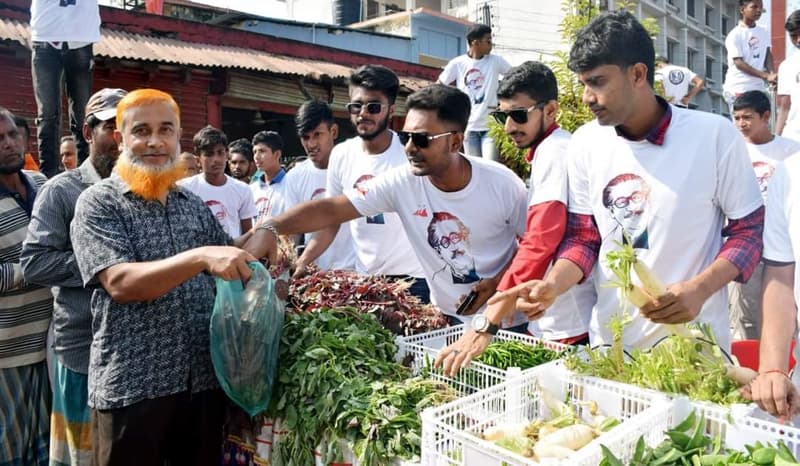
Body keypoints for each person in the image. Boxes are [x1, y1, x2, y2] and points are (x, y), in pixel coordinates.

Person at [436, 11, 764, 375]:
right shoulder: (586, 144)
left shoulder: (714, 136)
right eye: (583, 84)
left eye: (597, 82)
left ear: (638, 74)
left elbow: (748, 233)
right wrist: (552, 285)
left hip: (695, 346)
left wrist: (701, 289)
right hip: (612, 347)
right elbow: (584, 239)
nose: (587, 97)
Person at [70, 89, 257, 466]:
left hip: (201, 386)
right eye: (141, 131)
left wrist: (265, 233)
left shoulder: (191, 204)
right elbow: (121, 283)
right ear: (121, 139)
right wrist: (200, 257)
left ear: (178, 137)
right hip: (134, 389)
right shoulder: (99, 203)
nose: (154, 141)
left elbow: (228, 254)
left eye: (165, 130)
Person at [244, 84, 528, 328]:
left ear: (455, 142)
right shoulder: (402, 182)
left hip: (507, 323)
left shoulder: (503, 185)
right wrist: (272, 226)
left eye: (421, 139)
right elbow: (332, 209)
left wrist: (499, 283)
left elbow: (535, 245)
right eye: (406, 137)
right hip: (446, 319)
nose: (409, 149)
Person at [21, 87, 127, 465]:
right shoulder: (62, 191)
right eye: (109, 126)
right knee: (82, 457)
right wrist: (102, 267)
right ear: (87, 133)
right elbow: (34, 263)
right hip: (83, 347)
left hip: (133, 354)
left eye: (126, 126)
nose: (120, 136)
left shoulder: (144, 191)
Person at [481, 61, 595, 343]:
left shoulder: (553, 152)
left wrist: (492, 315)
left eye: (519, 115)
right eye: (502, 116)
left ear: (551, 110)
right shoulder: (556, 147)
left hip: (566, 316)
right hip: (554, 307)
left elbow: (542, 237)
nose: (509, 127)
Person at [318, 65, 427, 301]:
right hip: (365, 280)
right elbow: (331, 218)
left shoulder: (411, 154)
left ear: (391, 110)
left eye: (373, 107)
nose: (363, 113)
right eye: (356, 106)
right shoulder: (341, 154)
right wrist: (304, 262)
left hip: (415, 280)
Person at [0, 107, 52, 465]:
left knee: (47, 448)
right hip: (8, 353)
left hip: (52, 345)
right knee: (10, 451)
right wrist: (37, 269)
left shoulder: (43, 185)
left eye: (12, 135)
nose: (8, 144)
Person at [729, 90, 800, 340]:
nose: (741, 124)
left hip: (782, 245)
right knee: (744, 315)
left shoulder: (791, 152)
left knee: (786, 311)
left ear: (766, 116)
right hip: (746, 245)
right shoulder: (732, 150)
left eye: (747, 117)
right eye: (736, 118)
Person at [283, 99, 355, 274]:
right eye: (305, 137)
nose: (311, 144)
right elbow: (293, 229)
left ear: (333, 131)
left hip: (356, 272)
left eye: (317, 135)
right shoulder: (294, 176)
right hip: (315, 274)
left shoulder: (353, 168)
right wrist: (291, 262)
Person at [30, 0, 100, 177]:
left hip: (80, 37)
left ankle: (87, 178)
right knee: (47, 115)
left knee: (82, 116)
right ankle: (47, 177)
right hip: (45, 36)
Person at [439, 24, 511, 161]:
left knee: (491, 166)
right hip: (468, 127)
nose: (491, 44)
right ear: (475, 43)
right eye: (488, 41)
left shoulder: (496, 61)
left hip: (490, 126)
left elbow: (515, 76)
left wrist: (505, 101)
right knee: (474, 168)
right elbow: (440, 85)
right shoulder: (458, 63)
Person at [178, 126, 257, 238]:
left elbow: (248, 234)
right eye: (209, 154)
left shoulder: (242, 189)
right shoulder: (184, 189)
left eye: (220, 153)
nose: (216, 159)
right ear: (198, 160)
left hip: (232, 253)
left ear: (226, 155)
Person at [722, 0, 776, 109]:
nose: (759, 10)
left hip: (758, 88)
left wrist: (772, 74)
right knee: (743, 124)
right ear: (742, 9)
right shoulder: (735, 34)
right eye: (754, 7)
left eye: (760, 7)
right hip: (738, 88)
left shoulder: (763, 31)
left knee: (759, 123)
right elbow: (739, 63)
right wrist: (765, 75)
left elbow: (767, 54)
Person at [249, 130, 288, 226]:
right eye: (254, 152)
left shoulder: (291, 185)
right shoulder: (252, 189)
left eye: (262, 151)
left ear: (277, 154)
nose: (256, 157)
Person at [776, 10, 800, 142]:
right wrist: (776, 140)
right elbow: (785, 106)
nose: (798, 40)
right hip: (794, 139)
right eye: (793, 36)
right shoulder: (786, 66)